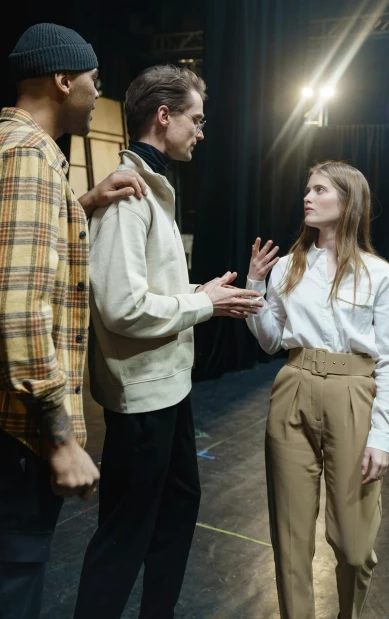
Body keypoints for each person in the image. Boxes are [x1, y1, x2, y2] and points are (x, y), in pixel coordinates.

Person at [0, 23, 148, 619]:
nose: (95, 92)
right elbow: (18, 305)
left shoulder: (1, 150)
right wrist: (59, 436)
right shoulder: (27, 161)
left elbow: (18, 254)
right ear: (64, 80)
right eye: (92, 81)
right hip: (10, 431)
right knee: (1, 597)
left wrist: (84, 204)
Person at [74, 64, 262, 619]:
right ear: (164, 116)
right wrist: (205, 304)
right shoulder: (130, 196)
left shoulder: (155, 189)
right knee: (125, 536)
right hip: (142, 400)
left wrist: (195, 290)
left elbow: (149, 289)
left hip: (170, 391)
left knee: (179, 511)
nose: (201, 132)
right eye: (195, 119)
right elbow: (122, 307)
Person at [246, 161, 389, 619]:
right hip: (293, 387)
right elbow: (272, 340)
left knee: (355, 548)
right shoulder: (286, 267)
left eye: (320, 190)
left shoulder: (380, 275)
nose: (307, 198)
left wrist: (382, 436)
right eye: (307, 189)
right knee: (291, 537)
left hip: (355, 394)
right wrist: (256, 284)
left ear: (348, 201)